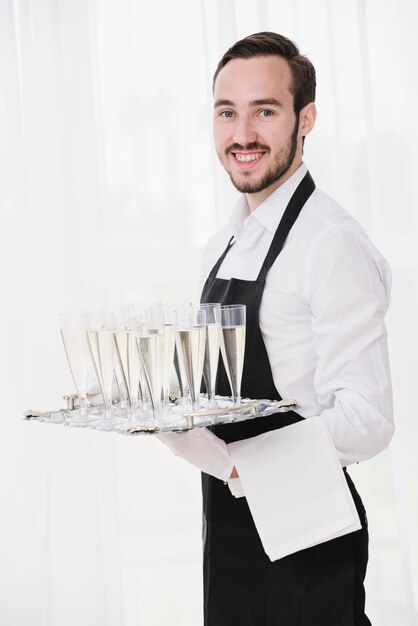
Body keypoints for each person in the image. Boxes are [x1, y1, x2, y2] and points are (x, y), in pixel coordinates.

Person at [158, 31, 394, 625]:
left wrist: (237, 466)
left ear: (305, 117)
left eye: (265, 110)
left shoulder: (330, 244)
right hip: (230, 535)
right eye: (226, 112)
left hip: (308, 546)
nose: (242, 134)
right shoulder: (225, 242)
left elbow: (368, 419)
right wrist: (167, 405)